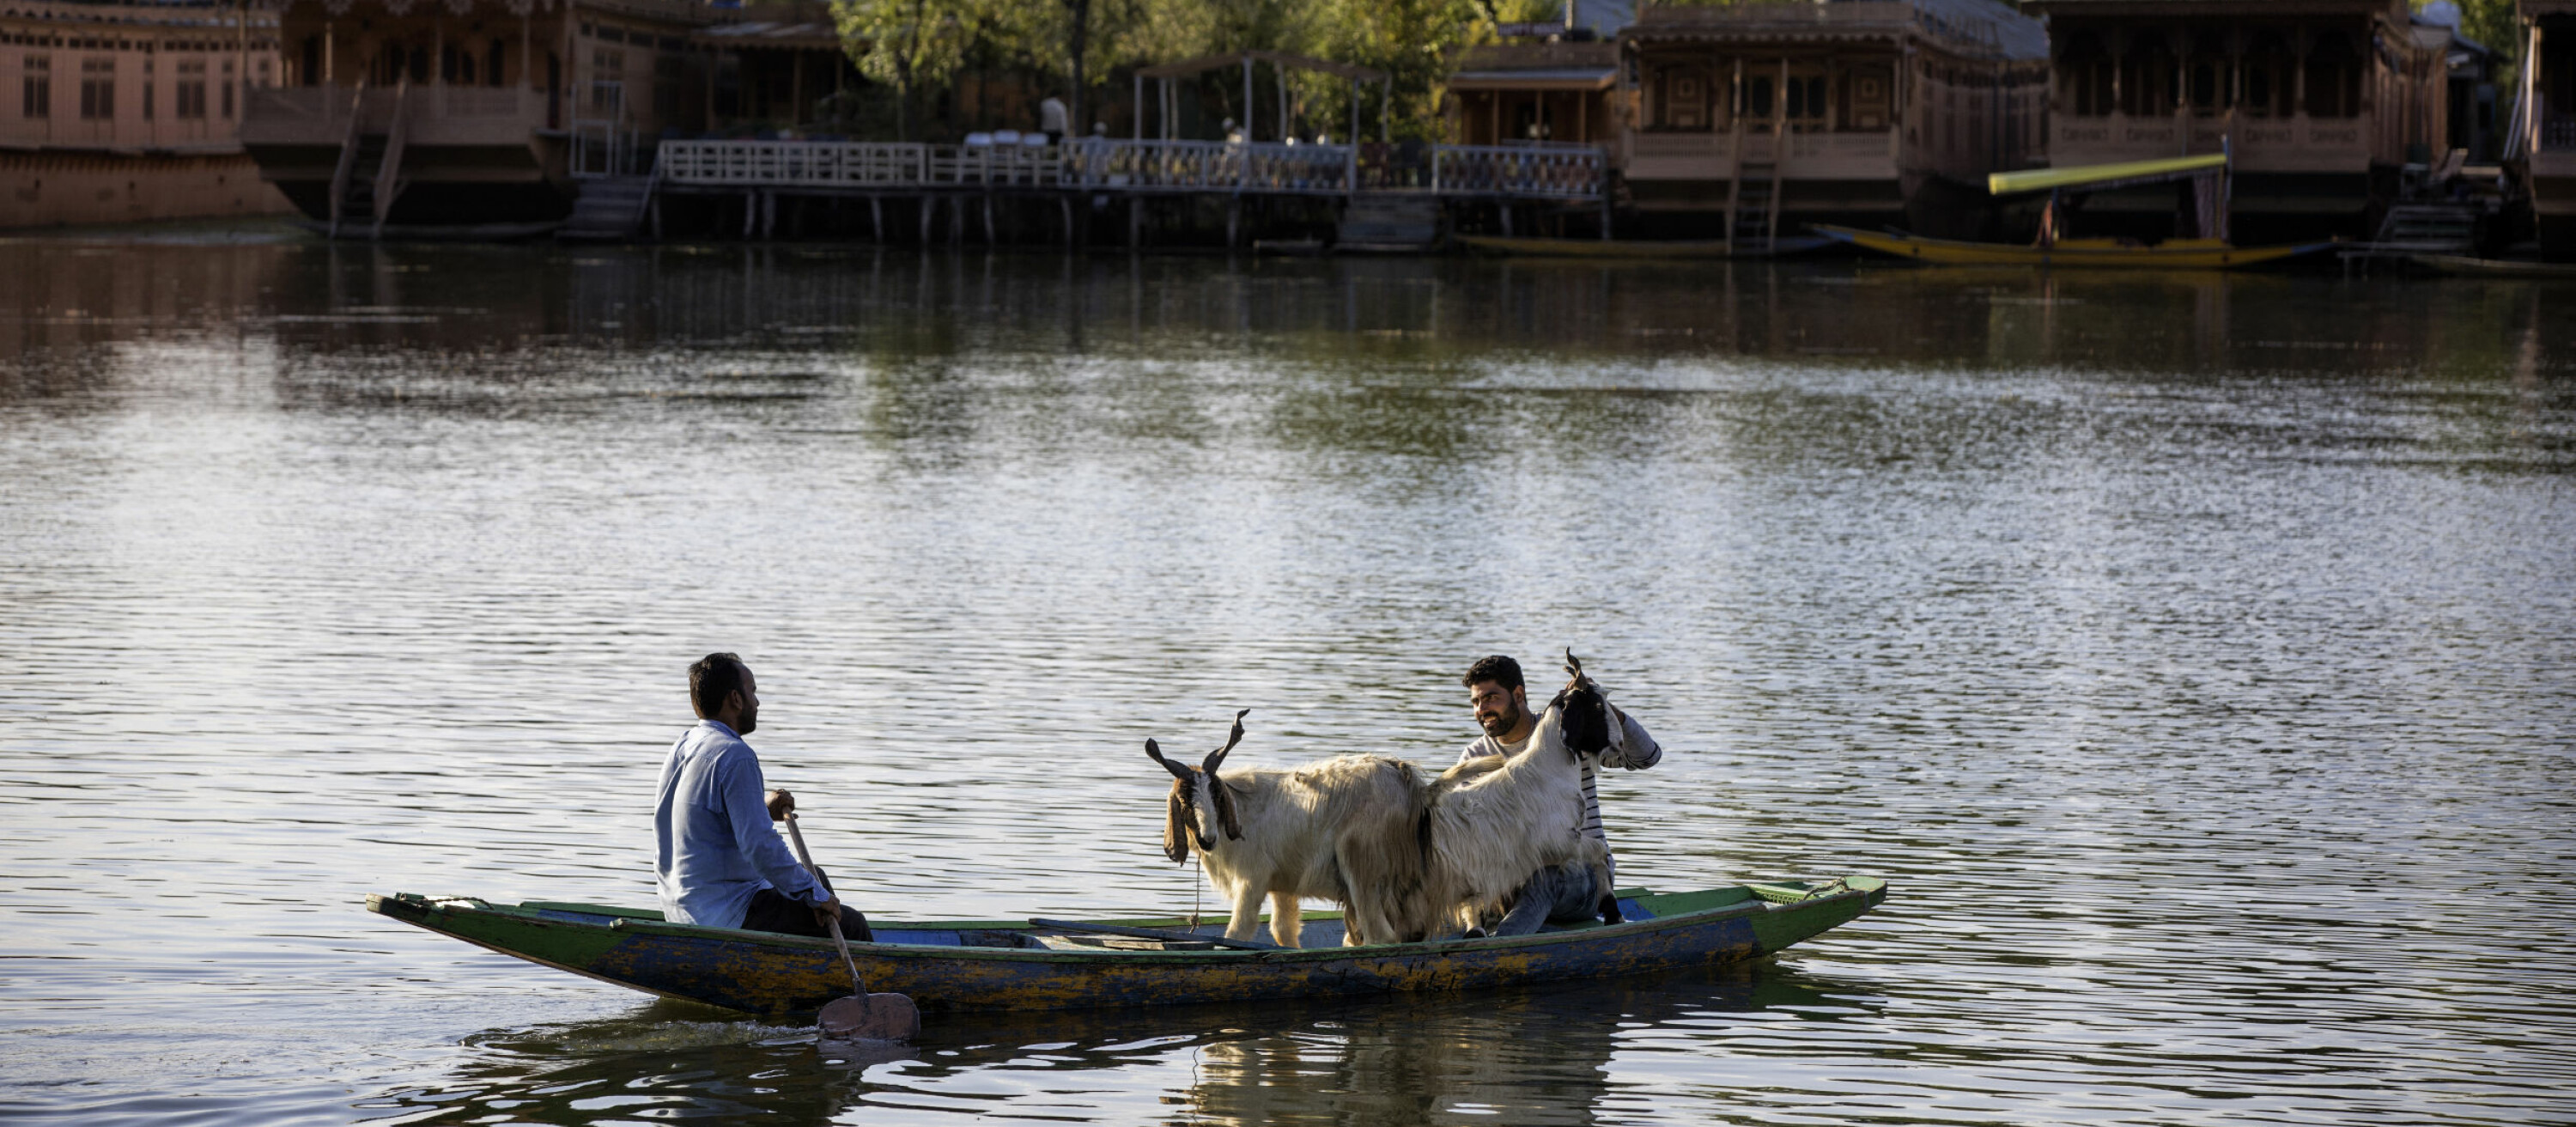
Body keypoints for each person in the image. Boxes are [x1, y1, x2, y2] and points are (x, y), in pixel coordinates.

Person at [654, 652, 872, 940]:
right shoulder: (735, 755)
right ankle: (856, 968)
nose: (757, 702)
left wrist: (761, 808)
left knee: (815, 877)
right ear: (735, 699)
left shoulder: (683, 746)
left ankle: (811, 960)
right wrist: (816, 895)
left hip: (682, 909)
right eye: (753, 692)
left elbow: (704, 816)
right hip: (729, 913)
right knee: (853, 924)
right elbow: (759, 846)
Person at [1458, 654, 1661, 935]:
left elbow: (1647, 757)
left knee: (1545, 880)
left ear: (1518, 695)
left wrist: (1598, 703)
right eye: (1476, 702)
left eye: (1491, 698)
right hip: (1506, 881)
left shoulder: (1568, 732)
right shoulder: (1474, 758)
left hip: (1580, 879)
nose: (1482, 709)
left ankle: (1498, 951)